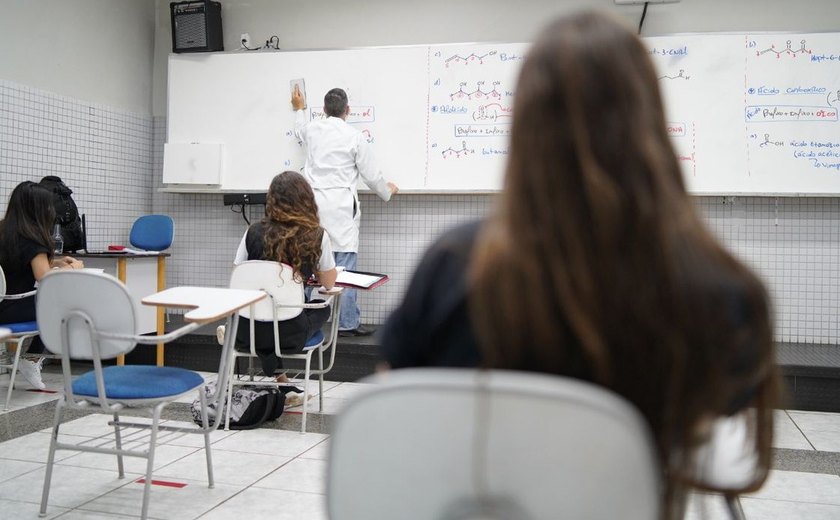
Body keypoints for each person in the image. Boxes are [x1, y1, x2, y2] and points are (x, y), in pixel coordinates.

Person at [379, 10, 781, 519]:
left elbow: (394, 414)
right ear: (650, 122)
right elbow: (716, 444)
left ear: (525, 128)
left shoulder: (455, 267)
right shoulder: (725, 292)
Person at [292, 86, 399, 336]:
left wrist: (299, 109)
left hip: (314, 207)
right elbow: (371, 175)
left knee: (310, 262)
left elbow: (298, 130)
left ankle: (306, 318)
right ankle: (347, 323)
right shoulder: (354, 136)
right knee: (345, 268)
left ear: (324, 110)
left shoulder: (313, 129)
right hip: (341, 207)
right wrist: (387, 191)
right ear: (348, 110)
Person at [223, 171, 337, 400]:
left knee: (267, 312)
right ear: (307, 200)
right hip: (290, 334)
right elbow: (328, 283)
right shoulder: (316, 235)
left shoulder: (252, 231)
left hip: (247, 330)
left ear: (271, 198)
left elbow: (238, 275)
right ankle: (285, 385)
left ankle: (282, 382)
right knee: (322, 305)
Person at [0, 181, 84, 389]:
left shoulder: (3, 230)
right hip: (14, 311)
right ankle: (31, 359)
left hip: (2, 305)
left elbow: (16, 264)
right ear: (38, 209)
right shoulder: (31, 237)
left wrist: (55, 261)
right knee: (63, 305)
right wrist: (73, 268)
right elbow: (44, 278)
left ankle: (29, 360)